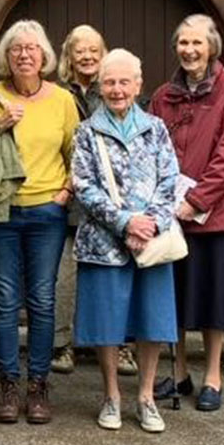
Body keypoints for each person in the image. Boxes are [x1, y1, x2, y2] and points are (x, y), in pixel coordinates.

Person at [0, 19, 79, 425]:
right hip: (1, 211)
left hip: (47, 211)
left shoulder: (62, 99)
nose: (24, 55)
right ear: (6, 57)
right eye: (16, 49)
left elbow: (77, 153)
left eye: (31, 48)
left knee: (42, 300)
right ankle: (9, 386)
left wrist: (65, 193)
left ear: (44, 56)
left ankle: (39, 386)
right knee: (6, 300)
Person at [71, 49, 180, 433]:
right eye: (109, 83)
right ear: (100, 87)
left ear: (138, 85)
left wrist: (149, 223)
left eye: (124, 82)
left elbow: (170, 180)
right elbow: (83, 186)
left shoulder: (156, 128)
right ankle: (112, 396)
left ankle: (147, 396)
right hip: (104, 243)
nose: (116, 90)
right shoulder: (86, 131)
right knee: (107, 323)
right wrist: (125, 222)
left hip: (151, 242)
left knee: (152, 320)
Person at [149, 14, 224, 412]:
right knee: (170, 295)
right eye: (183, 44)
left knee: (212, 299)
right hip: (171, 212)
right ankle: (178, 373)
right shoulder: (163, 95)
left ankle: (212, 374)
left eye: (197, 44)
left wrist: (197, 200)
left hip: (213, 215)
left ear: (212, 48)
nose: (189, 51)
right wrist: (166, 201)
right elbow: (154, 150)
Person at [53, 25, 138, 377]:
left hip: (114, 203)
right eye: (79, 51)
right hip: (69, 200)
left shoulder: (115, 90)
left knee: (117, 276)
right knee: (65, 278)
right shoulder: (56, 94)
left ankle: (121, 347)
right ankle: (62, 346)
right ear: (68, 57)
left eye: (93, 50)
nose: (87, 57)